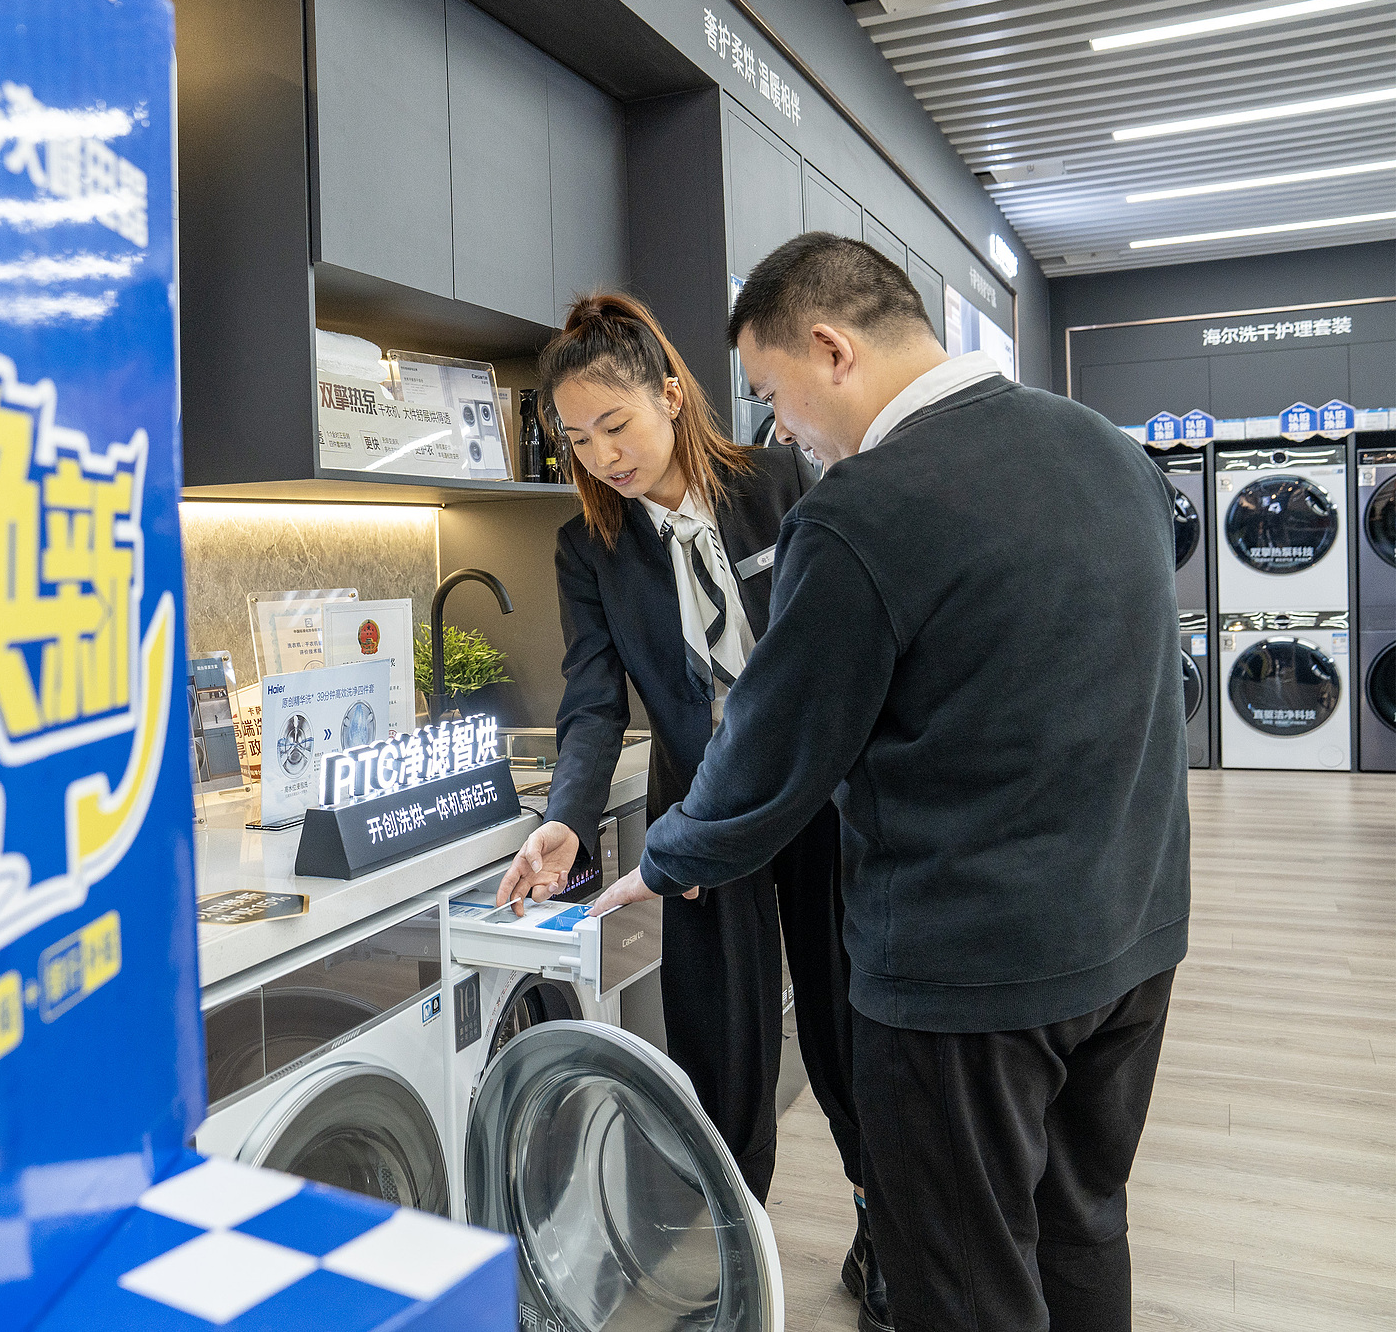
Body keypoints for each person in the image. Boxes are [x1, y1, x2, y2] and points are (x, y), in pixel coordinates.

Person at [557, 233, 1191, 1332]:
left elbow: (781, 732)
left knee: (958, 1272)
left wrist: (662, 857)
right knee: (1079, 1220)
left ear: (828, 348)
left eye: (772, 394)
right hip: (1129, 937)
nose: (782, 427)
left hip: (967, 973)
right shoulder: (1108, 452)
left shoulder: (855, 512)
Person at [493, 293, 890, 1329]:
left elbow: (840, 648)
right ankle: (732, 1251)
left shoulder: (779, 484)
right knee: (720, 1043)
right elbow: (590, 701)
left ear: (670, 393)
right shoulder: (589, 545)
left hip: (816, 790)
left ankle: (875, 1224)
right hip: (699, 819)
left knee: (848, 1023)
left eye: (614, 425)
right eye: (577, 439)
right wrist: (565, 820)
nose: (601, 455)